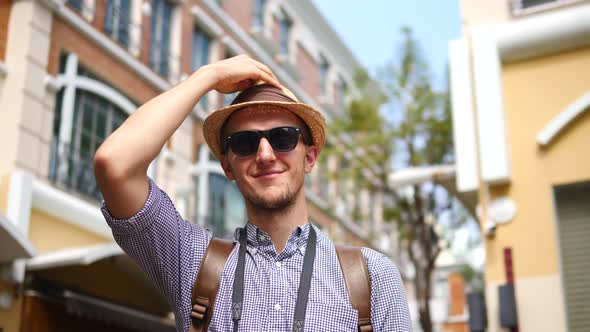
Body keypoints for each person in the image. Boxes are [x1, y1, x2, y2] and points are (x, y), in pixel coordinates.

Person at [94, 55, 411, 331]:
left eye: (283, 137)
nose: (265, 154)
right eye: (245, 143)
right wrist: (209, 76)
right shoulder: (191, 262)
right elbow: (115, 164)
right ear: (227, 167)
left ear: (310, 157)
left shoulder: (370, 276)